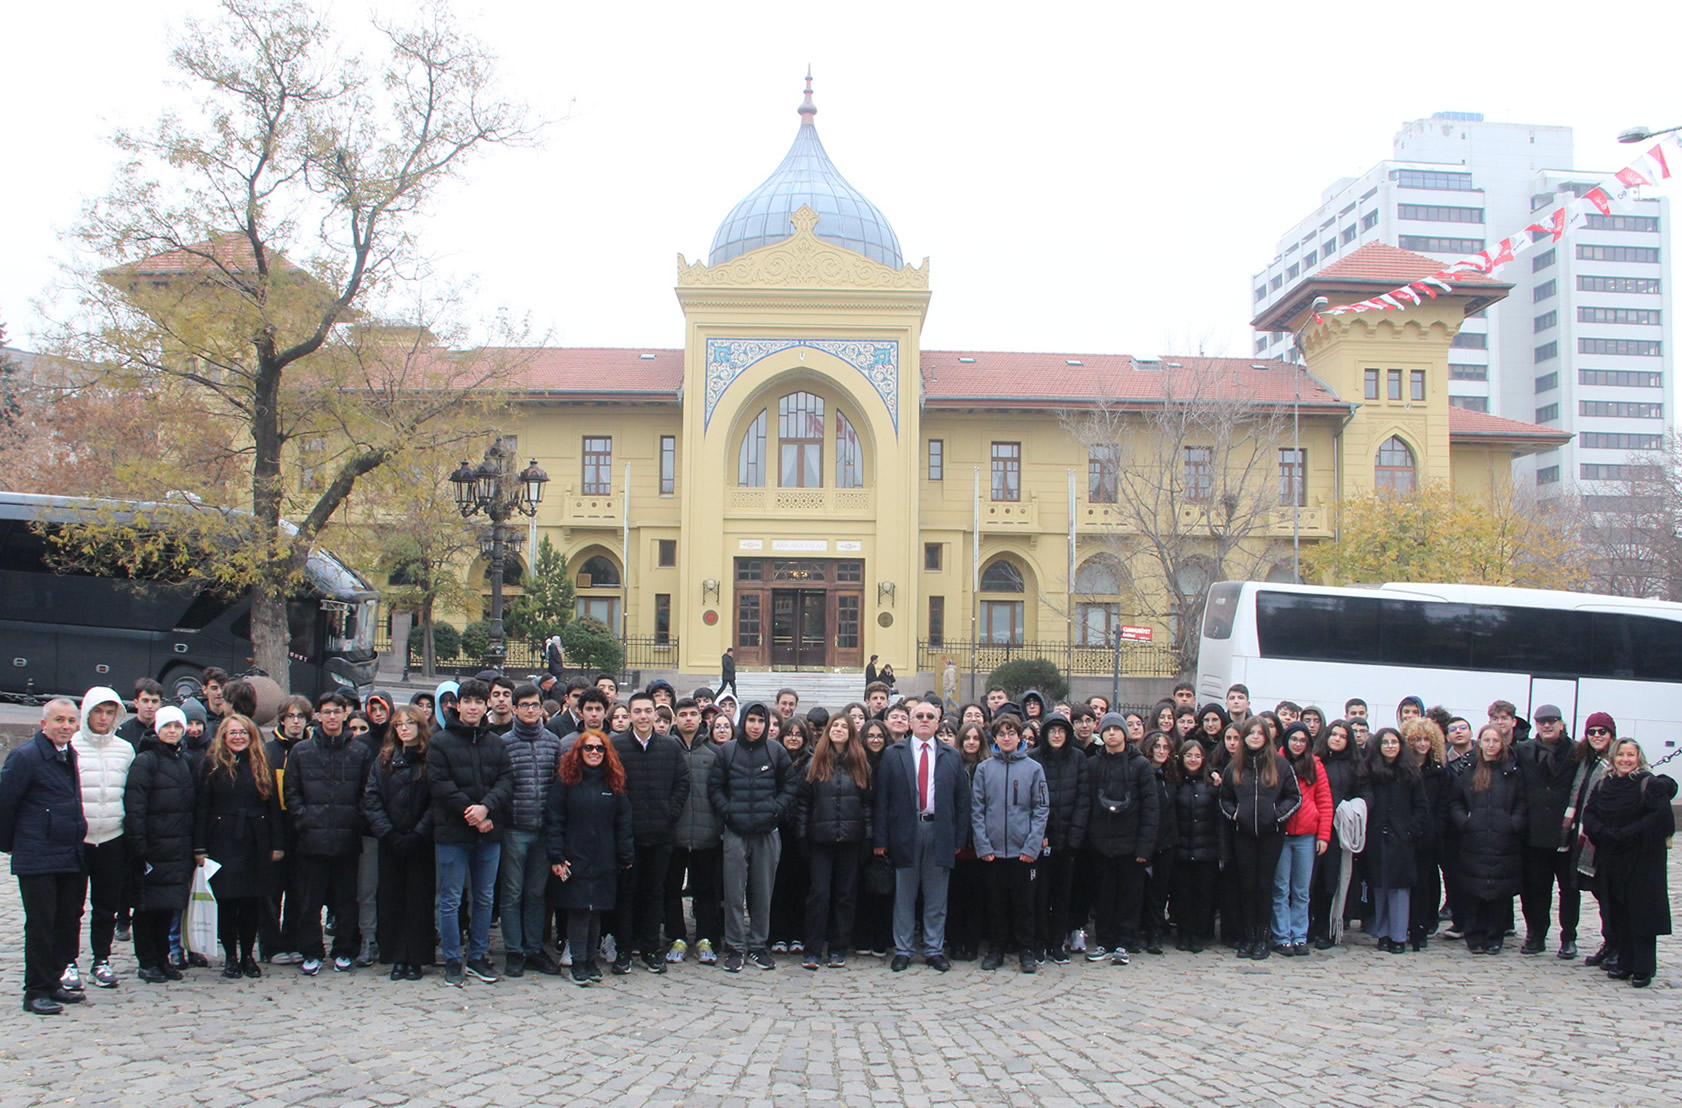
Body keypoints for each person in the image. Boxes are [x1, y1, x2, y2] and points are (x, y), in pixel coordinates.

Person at [0, 699, 89, 1015]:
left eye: (70, 720)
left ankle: (53, 981)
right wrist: (13, 845)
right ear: (44, 724)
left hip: (68, 852)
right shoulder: (25, 757)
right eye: (59, 720)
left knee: (66, 921)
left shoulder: (69, 755)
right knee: (40, 925)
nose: (65, 726)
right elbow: (6, 804)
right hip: (37, 854)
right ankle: (35, 990)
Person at [427, 678, 513, 987]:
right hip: (453, 832)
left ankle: (478, 954)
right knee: (450, 898)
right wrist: (473, 814)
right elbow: (440, 785)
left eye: (479, 702)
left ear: (486, 705)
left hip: (489, 832)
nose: (474, 707)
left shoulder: (496, 743)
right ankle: (452, 958)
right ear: (457, 705)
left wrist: (486, 809)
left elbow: (505, 782)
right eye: (468, 702)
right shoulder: (440, 741)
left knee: (484, 897)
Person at [874, 700, 970, 973]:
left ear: (938, 723)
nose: (925, 719)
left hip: (939, 832)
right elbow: (882, 800)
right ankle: (903, 949)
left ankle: (934, 949)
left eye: (930, 716)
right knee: (904, 895)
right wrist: (881, 840)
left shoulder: (951, 756)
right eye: (919, 716)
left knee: (936, 896)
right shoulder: (894, 754)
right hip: (906, 831)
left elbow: (962, 802)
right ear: (911, 722)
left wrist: (958, 839)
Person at [284, 692, 374, 977]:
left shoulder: (359, 751)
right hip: (312, 839)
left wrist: (355, 820)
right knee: (309, 901)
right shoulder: (302, 751)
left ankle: (344, 949)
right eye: (327, 712)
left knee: (347, 901)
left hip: (347, 838)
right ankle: (311, 951)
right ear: (318, 716)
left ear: (345, 714)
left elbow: (367, 792)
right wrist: (305, 820)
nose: (332, 717)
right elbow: (292, 792)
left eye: (337, 711)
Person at [709, 701, 798, 972]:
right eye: (751, 720)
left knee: (762, 893)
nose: (756, 726)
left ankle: (758, 945)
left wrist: (776, 811)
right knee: (734, 894)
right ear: (743, 722)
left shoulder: (776, 751)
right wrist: (728, 812)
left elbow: (790, 786)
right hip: (736, 832)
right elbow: (715, 787)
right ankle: (736, 948)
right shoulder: (727, 751)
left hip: (766, 833)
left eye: (761, 721)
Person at [1583, 739, 1676, 988]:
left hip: (1643, 859)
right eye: (1621, 755)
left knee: (1642, 914)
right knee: (1618, 912)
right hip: (1612, 857)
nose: (1625, 759)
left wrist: (1628, 833)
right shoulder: (1605, 784)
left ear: (1638, 757)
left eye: (1630, 755)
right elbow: (1590, 814)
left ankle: (1643, 967)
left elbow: (1661, 819)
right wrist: (1602, 832)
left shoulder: (1649, 784)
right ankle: (1624, 961)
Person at [194, 714, 281, 979]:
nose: (238, 737)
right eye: (232, 732)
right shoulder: (211, 764)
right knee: (228, 902)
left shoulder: (261, 762)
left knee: (252, 902)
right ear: (223, 736)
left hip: (256, 837)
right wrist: (200, 848)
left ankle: (247, 955)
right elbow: (201, 808)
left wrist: (277, 843)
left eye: (243, 732)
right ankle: (231, 956)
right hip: (223, 839)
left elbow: (274, 806)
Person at [609, 689, 689, 974]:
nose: (643, 717)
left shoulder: (670, 747)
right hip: (628, 835)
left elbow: (682, 783)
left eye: (648, 711)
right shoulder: (615, 746)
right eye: (638, 712)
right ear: (629, 716)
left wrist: (671, 812)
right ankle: (623, 950)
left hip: (660, 833)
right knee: (626, 893)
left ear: (656, 715)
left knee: (655, 893)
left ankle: (650, 949)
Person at [546, 729, 634, 987]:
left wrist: (625, 853)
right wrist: (556, 855)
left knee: (597, 911)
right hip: (575, 855)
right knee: (580, 911)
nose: (594, 752)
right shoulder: (565, 782)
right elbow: (555, 820)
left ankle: (590, 960)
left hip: (605, 856)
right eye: (589, 748)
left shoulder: (613, 782)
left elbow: (623, 821)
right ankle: (578, 961)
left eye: (599, 748)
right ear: (578, 751)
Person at [970, 714, 1049, 974]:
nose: (1006, 738)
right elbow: (977, 809)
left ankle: (1026, 949)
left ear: (1019, 737)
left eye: (1011, 733)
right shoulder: (984, 769)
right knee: (995, 903)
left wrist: (1031, 845)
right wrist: (983, 845)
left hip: (1022, 851)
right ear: (995, 737)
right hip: (993, 851)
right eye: (1001, 734)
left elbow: (1041, 809)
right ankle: (996, 949)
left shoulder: (1033, 769)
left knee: (1024, 904)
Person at [362, 704, 435, 981]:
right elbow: (372, 797)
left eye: (409, 724)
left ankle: (416, 956)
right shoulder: (384, 759)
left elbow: (435, 800)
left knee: (418, 900)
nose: (404, 729)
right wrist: (388, 833)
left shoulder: (429, 759)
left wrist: (419, 833)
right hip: (390, 839)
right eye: (400, 725)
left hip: (419, 840)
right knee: (391, 899)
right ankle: (395, 956)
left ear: (419, 726)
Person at [124, 706, 197, 983]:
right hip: (153, 847)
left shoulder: (184, 760)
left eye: (177, 727)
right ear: (157, 728)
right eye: (167, 726)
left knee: (168, 906)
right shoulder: (146, 760)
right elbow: (136, 805)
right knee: (147, 908)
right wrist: (139, 844)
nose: (172, 731)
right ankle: (147, 960)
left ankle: (163, 957)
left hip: (177, 847)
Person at [795, 713, 873, 968]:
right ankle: (813, 949)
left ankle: (838, 948)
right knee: (818, 895)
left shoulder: (861, 764)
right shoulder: (814, 763)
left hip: (851, 839)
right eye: (835, 726)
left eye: (844, 726)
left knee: (845, 896)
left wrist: (868, 836)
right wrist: (803, 835)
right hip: (821, 840)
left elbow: (867, 805)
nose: (839, 730)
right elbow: (804, 803)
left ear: (851, 733)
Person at [1219, 717, 1300, 960]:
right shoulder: (1235, 765)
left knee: (1265, 886)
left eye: (1259, 733)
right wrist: (1235, 815)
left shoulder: (1281, 765)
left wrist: (1276, 816)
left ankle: (1261, 938)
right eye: (1250, 733)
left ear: (1267, 737)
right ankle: (1247, 936)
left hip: (1270, 835)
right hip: (1242, 834)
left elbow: (1294, 797)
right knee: (1246, 886)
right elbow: (1224, 798)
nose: (1254, 737)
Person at [69, 686, 133, 992]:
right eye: (98, 711)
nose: (104, 718)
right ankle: (68, 961)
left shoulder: (125, 749)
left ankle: (101, 959)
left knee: (106, 905)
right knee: (71, 906)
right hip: (77, 839)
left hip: (111, 837)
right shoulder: (72, 746)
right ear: (87, 713)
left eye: (109, 712)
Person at [499, 683, 564, 977]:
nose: (529, 710)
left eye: (534, 705)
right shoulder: (504, 743)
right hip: (514, 829)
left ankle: (534, 947)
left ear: (541, 708)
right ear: (514, 709)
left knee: (536, 893)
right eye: (523, 705)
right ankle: (514, 950)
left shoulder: (553, 742)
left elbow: (558, 786)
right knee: (512, 893)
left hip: (543, 830)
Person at [1084, 712, 1159, 965]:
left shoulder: (1140, 765)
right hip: (1101, 844)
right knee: (1104, 896)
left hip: (1131, 845)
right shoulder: (1093, 764)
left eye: (1117, 729)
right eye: (1107, 730)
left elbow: (1151, 808)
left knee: (1130, 896)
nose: (1112, 734)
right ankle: (1104, 941)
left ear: (1124, 733)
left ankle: (1125, 943)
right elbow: (1087, 803)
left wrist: (1144, 847)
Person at [1449, 724, 1526, 954]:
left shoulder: (1512, 772)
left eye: (1496, 741)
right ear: (1479, 743)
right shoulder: (1469, 771)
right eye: (1487, 740)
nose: (1491, 745)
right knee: (1473, 891)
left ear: (1502, 744)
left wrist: (1514, 823)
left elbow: (1522, 803)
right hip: (1475, 840)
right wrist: (1465, 822)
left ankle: (1495, 935)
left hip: (1504, 841)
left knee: (1499, 894)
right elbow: (1455, 801)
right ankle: (1475, 934)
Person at [1514, 703, 1579, 958]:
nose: (1547, 725)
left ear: (1561, 723)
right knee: (1535, 888)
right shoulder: (1524, 750)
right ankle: (1536, 933)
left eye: (1552, 720)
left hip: (1565, 834)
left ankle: (1568, 937)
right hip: (1534, 832)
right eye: (1542, 721)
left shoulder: (1576, 751)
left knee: (1569, 889)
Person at [1359, 727, 1427, 954]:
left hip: (1402, 838)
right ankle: (1383, 933)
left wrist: (1410, 831)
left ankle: (1398, 935)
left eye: (1394, 742)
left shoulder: (1411, 773)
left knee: (1399, 888)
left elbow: (1421, 808)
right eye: (1385, 742)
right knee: (1380, 886)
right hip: (1376, 837)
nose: (1390, 746)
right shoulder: (1370, 772)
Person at [667, 698, 724, 966]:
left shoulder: (714, 754)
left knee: (706, 890)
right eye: (683, 714)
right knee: (671, 888)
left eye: (693, 714)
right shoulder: (666, 750)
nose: (688, 719)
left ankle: (705, 938)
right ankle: (676, 936)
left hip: (706, 834)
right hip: (674, 833)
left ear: (701, 719)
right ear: (675, 719)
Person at [1030, 713, 1088, 964]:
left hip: (1068, 840)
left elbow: (1083, 800)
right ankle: (1040, 942)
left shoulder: (1078, 758)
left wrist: (1074, 837)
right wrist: (1038, 834)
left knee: (1063, 895)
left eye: (1061, 731)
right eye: (1052, 730)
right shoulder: (1033, 758)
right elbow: (1029, 802)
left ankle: (1057, 942)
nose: (1056, 735)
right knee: (1040, 894)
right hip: (1041, 840)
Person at [261, 694, 312, 965]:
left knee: (299, 890)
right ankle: (270, 944)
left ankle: (294, 940)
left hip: (302, 828)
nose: (295, 722)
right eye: (291, 716)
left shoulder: (312, 748)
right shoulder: (269, 752)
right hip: (275, 825)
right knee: (271, 890)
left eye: (300, 717)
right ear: (282, 719)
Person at [1271, 722, 1330, 956]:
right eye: (1294, 739)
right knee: (1280, 888)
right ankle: (1282, 935)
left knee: (1302, 890)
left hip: (1307, 834)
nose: (1297, 744)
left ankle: (1299, 935)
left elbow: (1325, 802)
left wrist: (1323, 835)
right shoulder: (1276, 762)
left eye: (1302, 740)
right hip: (1282, 834)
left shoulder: (1315, 766)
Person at [1567, 712, 1616, 967]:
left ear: (1611, 735)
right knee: (1600, 895)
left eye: (1602, 731)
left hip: (1606, 840)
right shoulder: (1586, 761)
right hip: (1586, 836)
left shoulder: (1615, 762)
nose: (1597, 736)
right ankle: (1609, 943)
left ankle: (1616, 944)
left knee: (1610, 896)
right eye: (1592, 732)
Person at [1172, 739, 1222, 952]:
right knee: (1182, 894)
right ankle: (1184, 933)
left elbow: (1218, 819)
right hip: (1181, 848)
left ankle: (1198, 934)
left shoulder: (1212, 785)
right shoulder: (1175, 782)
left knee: (1204, 895)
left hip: (1206, 849)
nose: (1193, 760)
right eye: (1189, 756)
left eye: (1197, 756)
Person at [1404, 717, 1448, 951]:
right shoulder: (1404, 770)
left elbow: (1443, 805)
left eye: (1426, 740)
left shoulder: (1439, 772)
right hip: (1406, 833)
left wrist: (1435, 830)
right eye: (1417, 740)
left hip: (1429, 835)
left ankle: (1422, 926)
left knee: (1425, 883)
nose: (1422, 744)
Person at [1138, 731, 1178, 955]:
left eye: (1165, 747)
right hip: (1145, 840)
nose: (1161, 751)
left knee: (1159, 892)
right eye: (1157, 747)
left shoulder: (1171, 774)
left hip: (1167, 841)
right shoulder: (1143, 773)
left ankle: (1155, 933)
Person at [116, 679, 164, 747]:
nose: (150, 706)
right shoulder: (123, 731)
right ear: (136, 703)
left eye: (154, 701)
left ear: (160, 704)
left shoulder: (166, 731)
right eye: (145, 701)